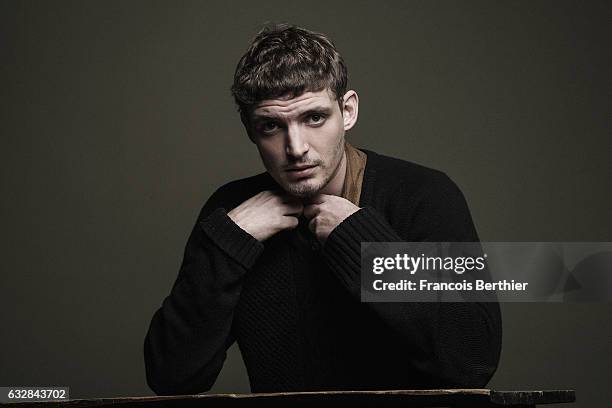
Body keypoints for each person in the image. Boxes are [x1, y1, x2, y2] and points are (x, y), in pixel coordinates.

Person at [144, 23, 502, 395]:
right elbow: (172, 376)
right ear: (250, 129)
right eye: (271, 126)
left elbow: (472, 360)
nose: (295, 147)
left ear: (347, 111)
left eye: (314, 118)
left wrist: (362, 245)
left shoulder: (423, 196)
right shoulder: (231, 214)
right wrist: (229, 244)